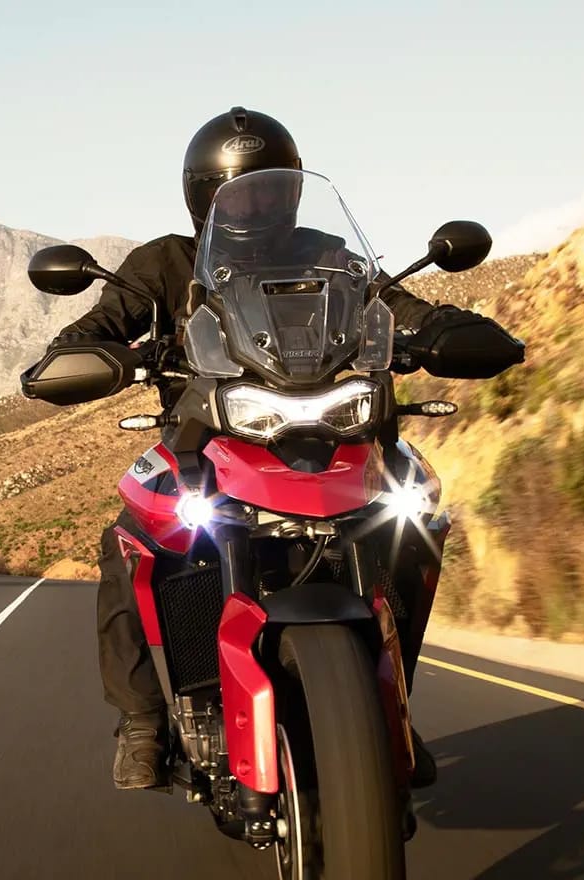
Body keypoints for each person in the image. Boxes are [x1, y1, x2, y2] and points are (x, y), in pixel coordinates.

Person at [48, 106, 526, 790]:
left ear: (296, 190)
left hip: (334, 435)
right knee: (130, 544)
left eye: (271, 189)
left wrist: (444, 329)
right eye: (239, 191)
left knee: (415, 516)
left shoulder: (329, 253)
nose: (258, 204)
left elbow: (396, 304)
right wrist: (84, 354)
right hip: (205, 444)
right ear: (203, 196)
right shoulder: (162, 264)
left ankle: (383, 702)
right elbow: (97, 325)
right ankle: (144, 720)